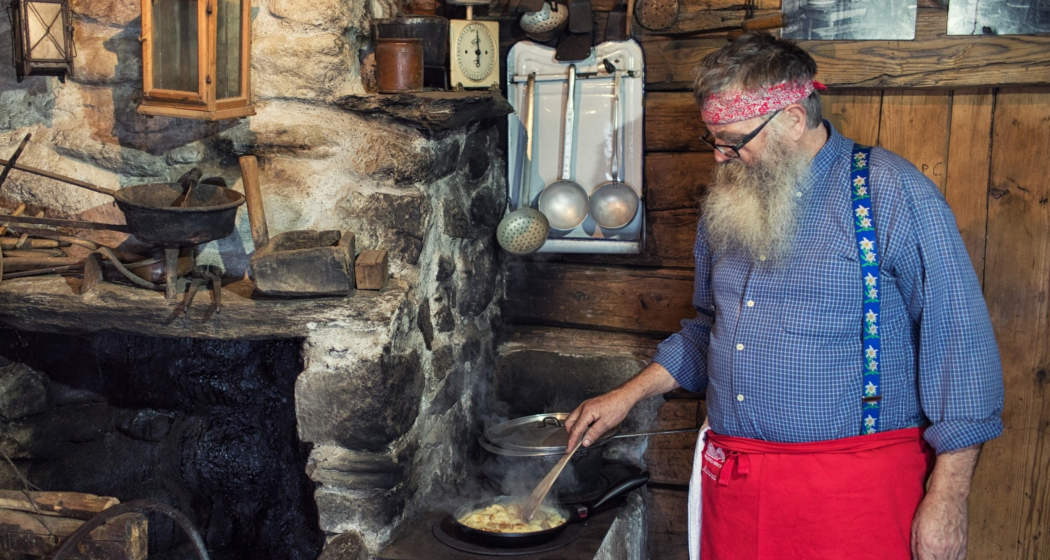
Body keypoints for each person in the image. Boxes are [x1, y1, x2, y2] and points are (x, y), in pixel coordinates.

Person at [564, 32, 1003, 560]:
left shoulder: (889, 192)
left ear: (793, 120)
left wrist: (949, 498)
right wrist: (628, 395)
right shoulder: (727, 204)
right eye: (714, 141)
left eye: (732, 139)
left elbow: (960, 346)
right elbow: (710, 327)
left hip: (851, 492)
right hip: (739, 489)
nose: (722, 158)